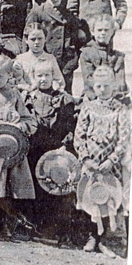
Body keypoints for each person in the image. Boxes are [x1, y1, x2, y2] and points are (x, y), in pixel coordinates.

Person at [0, 56, 37, 240]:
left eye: (0, 76)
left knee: (10, 187)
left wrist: (21, 126)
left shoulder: (15, 94)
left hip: (11, 151)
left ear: (10, 75)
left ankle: (4, 225)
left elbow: (28, 119)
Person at [74, 66, 130, 254]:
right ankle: (91, 236)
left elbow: (124, 138)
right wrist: (86, 158)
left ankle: (103, 238)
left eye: (107, 86)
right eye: (99, 86)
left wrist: (112, 160)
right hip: (90, 163)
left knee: (107, 198)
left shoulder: (120, 109)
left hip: (109, 165)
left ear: (113, 85)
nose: (103, 89)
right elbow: (79, 136)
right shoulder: (88, 107)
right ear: (93, 86)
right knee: (88, 197)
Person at [24, 60, 76, 240]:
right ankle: (35, 225)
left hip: (56, 149)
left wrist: (64, 145)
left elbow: (70, 125)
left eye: (47, 75)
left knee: (55, 186)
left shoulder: (62, 98)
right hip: (35, 149)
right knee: (35, 186)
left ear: (53, 76)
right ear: (34, 77)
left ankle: (54, 228)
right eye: (39, 75)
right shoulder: (28, 98)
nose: (43, 79)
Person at [26, 0, 90, 89]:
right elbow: (27, 38)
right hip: (43, 65)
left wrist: (73, 59)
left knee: (64, 98)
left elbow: (76, 40)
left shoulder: (69, 15)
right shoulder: (38, 12)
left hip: (65, 65)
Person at [79, 14, 126, 100]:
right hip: (93, 97)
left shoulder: (118, 57)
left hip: (114, 98)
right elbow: (89, 81)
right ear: (93, 32)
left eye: (106, 30)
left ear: (112, 32)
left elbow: (120, 84)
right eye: (99, 30)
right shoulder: (86, 54)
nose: (103, 33)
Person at [14, 23, 63, 93]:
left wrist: (55, 85)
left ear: (45, 38)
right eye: (33, 39)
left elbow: (59, 80)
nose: (37, 42)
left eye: (40, 39)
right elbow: (17, 82)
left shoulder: (50, 59)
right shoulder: (20, 60)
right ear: (26, 40)